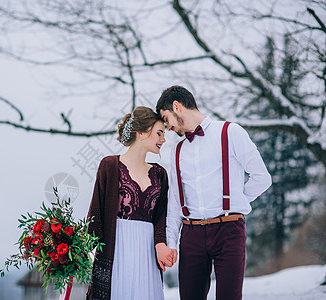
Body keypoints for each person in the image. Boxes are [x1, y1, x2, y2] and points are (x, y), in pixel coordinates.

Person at [156, 85, 272, 300]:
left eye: (166, 119)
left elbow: (262, 178)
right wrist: (171, 244)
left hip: (229, 231)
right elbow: (174, 203)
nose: (168, 128)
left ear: (177, 106)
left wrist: (235, 201)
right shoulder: (177, 150)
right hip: (191, 235)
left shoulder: (231, 132)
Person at [86, 106, 174, 300]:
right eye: (159, 133)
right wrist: (77, 252)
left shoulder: (160, 174)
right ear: (141, 133)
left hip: (147, 255)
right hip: (117, 251)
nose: (163, 139)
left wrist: (161, 243)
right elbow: (95, 214)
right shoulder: (109, 165)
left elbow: (161, 217)